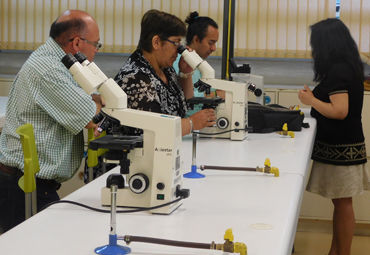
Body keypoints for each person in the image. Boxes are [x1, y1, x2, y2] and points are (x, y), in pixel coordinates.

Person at [0, 10, 103, 233]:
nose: (97, 50)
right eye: (96, 44)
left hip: (33, 183)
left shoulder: (60, 62)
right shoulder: (49, 68)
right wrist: (96, 103)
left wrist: (93, 100)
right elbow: (91, 116)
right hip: (25, 187)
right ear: (77, 43)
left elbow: (89, 98)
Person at [298, 18, 370, 255]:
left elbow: (340, 111)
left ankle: (343, 253)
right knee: (340, 203)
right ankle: (336, 252)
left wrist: (311, 101)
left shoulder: (339, 70)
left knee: (343, 204)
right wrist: (312, 105)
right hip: (342, 145)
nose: (313, 49)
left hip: (342, 147)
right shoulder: (345, 66)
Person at [114, 9, 215, 136]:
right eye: (176, 43)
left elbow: (186, 104)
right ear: (156, 42)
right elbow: (153, 130)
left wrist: (185, 73)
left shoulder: (165, 68)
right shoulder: (136, 78)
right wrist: (191, 123)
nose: (179, 50)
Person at [173, 11, 224, 117]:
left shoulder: (200, 62)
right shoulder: (179, 62)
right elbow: (182, 96)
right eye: (210, 43)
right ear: (196, 39)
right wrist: (215, 94)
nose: (214, 48)